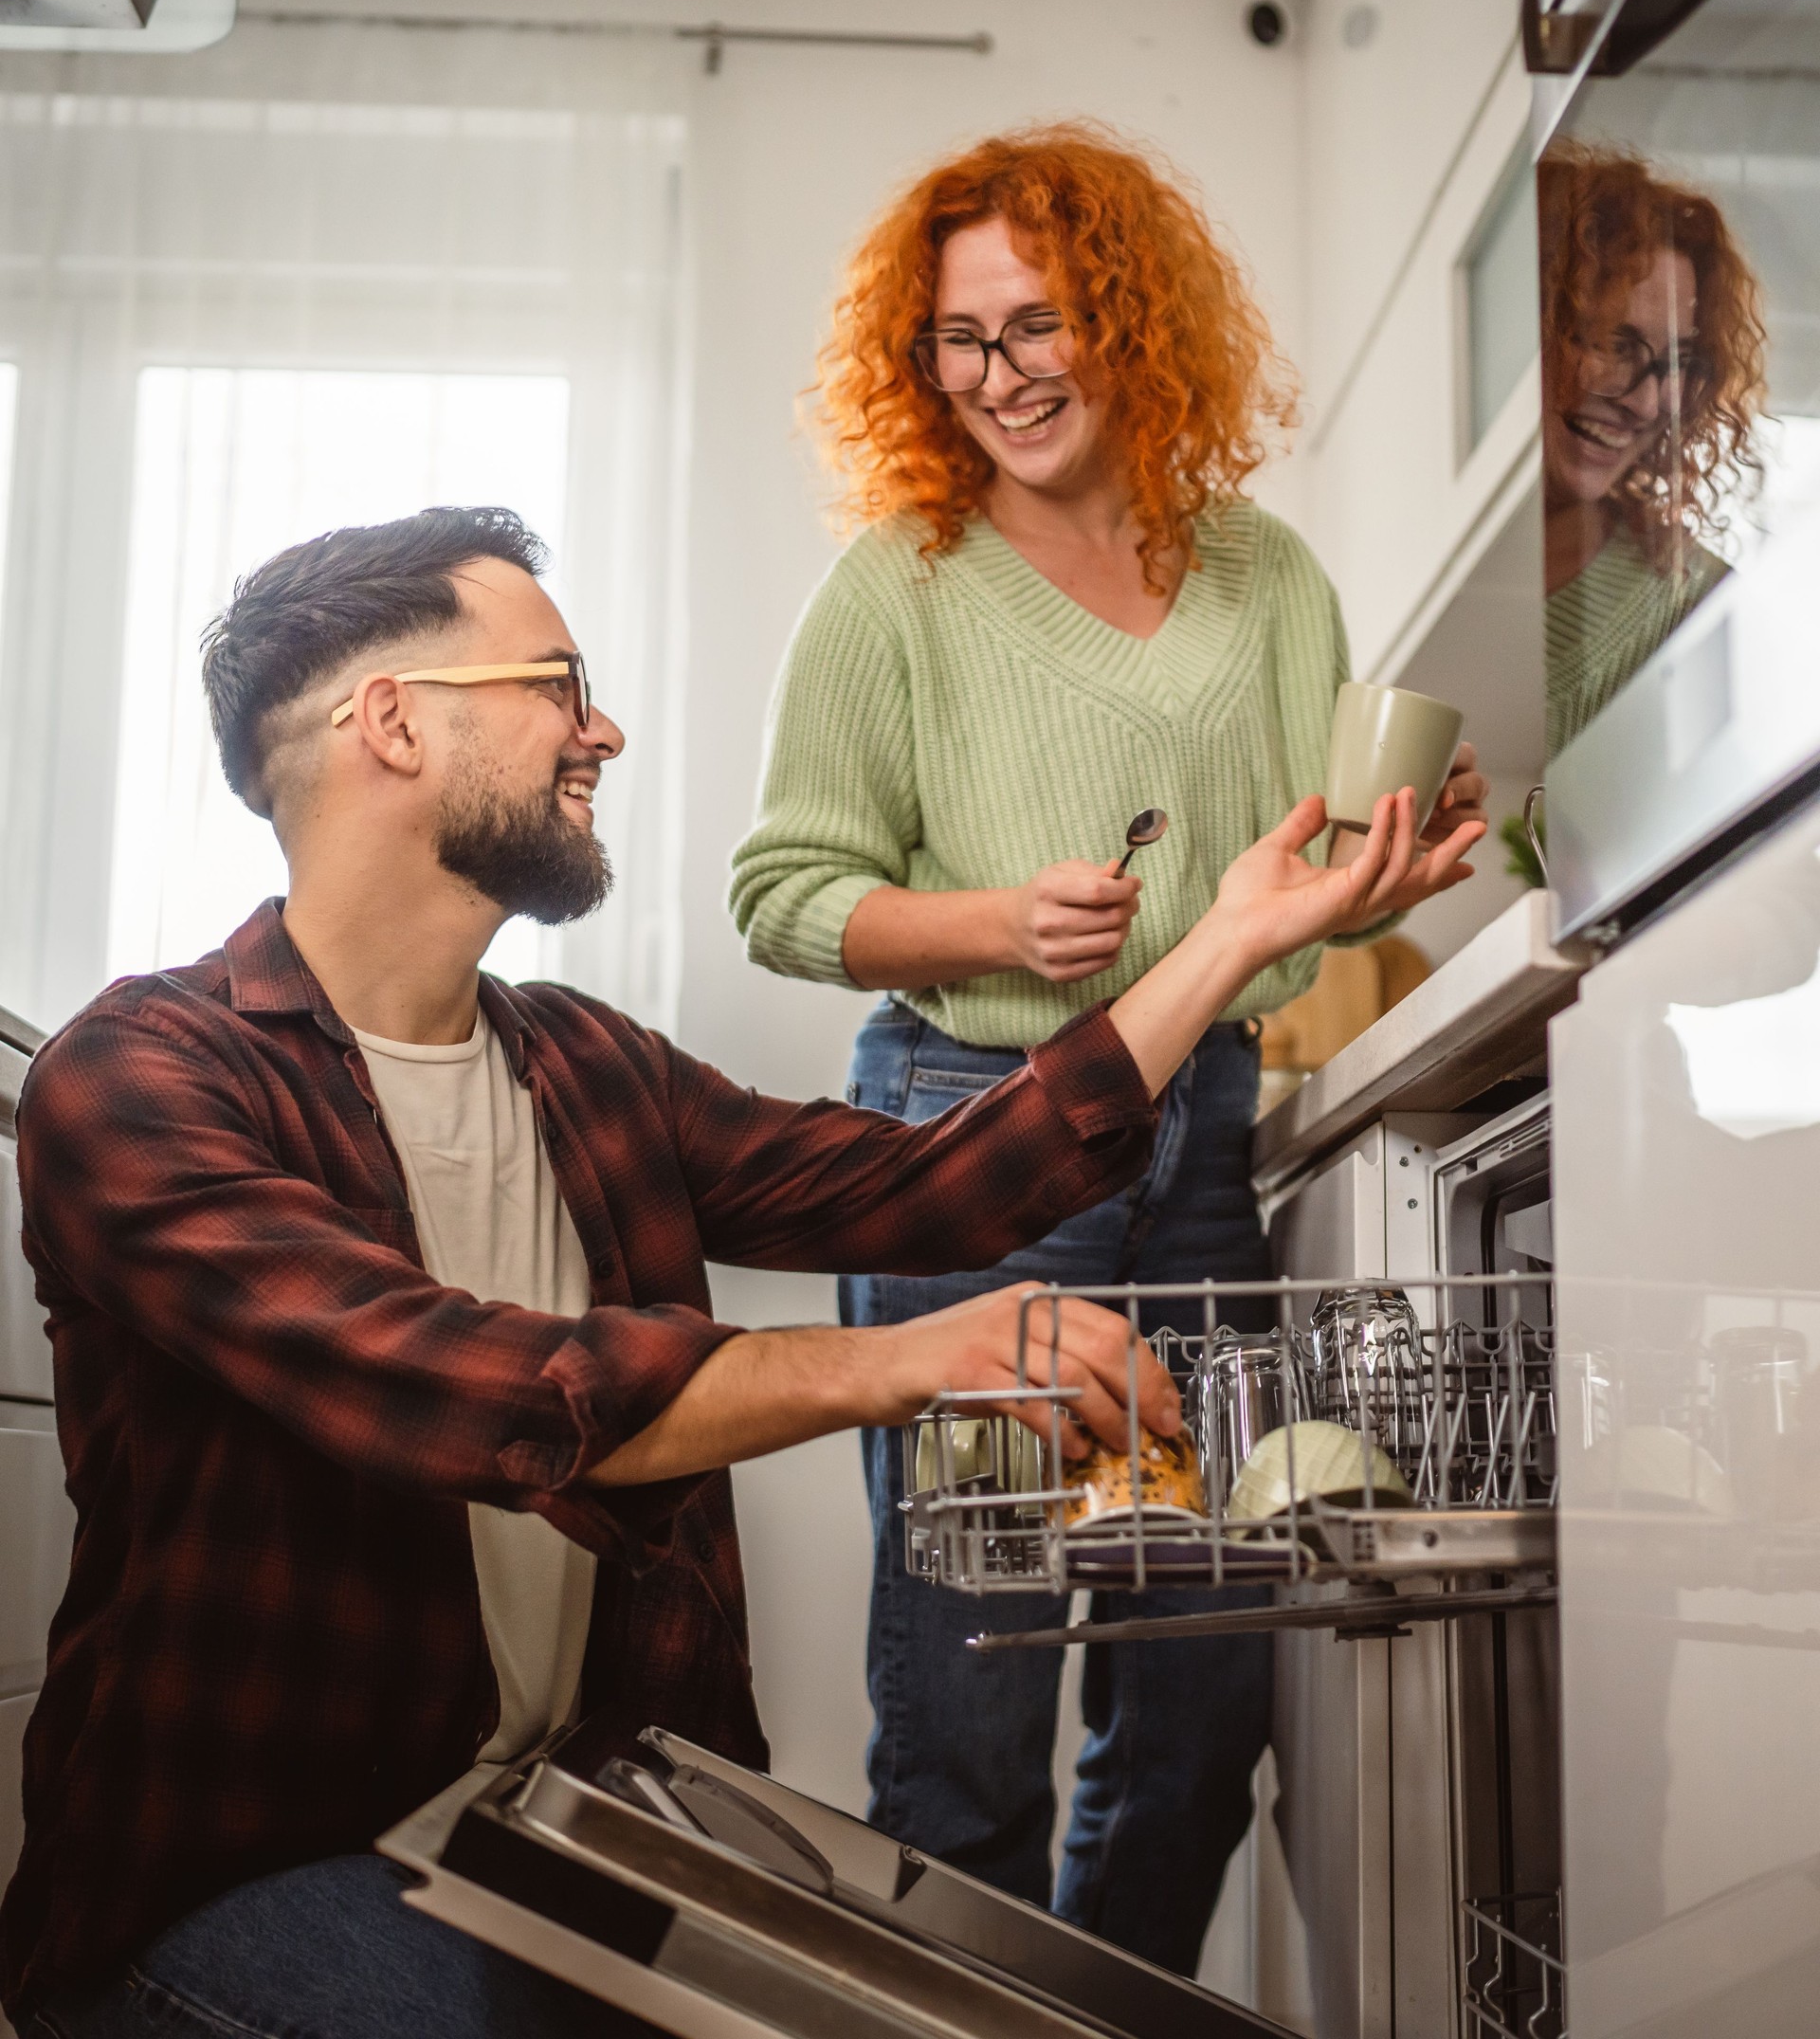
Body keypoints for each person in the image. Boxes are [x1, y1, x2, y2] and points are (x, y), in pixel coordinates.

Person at [0, 505, 1471, 2039]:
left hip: (555, 1827)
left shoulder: (580, 1066)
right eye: (558, 684)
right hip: (252, 1872)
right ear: (394, 722)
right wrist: (909, 1359)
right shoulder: (141, 1078)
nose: (603, 730)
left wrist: (1236, 937)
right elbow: (487, 1394)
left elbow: (936, 1183)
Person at [729, 122, 1488, 1974]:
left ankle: (1093, 2020)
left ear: (1129, 318)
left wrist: (1410, 846)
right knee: (975, 1701)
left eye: (1038, 323)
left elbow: (1302, 885)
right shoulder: (895, 587)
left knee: (1198, 1708)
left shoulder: (1268, 580)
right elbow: (784, 893)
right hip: (970, 1147)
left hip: (1200, 1151)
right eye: (962, 343)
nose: (1002, 377)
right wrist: (993, 924)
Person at [1538, 139, 1767, 755]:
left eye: (1680, 362)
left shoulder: (1701, 609)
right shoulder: (1393, 570)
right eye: (1612, 343)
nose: (1645, 403)